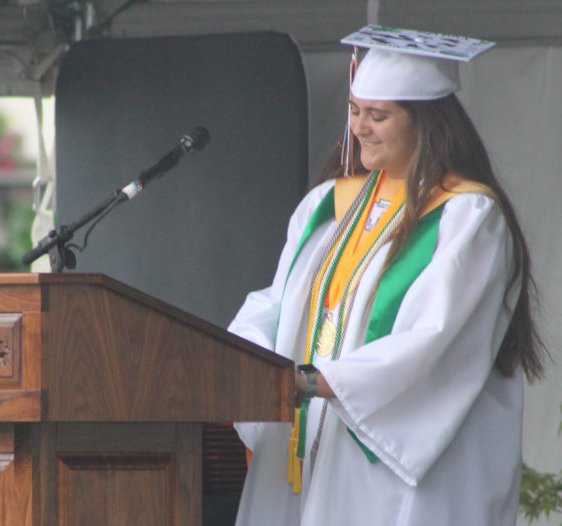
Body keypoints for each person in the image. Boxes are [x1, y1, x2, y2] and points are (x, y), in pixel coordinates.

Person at [229, 26, 547, 526]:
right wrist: (240, 359)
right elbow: (279, 302)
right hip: (311, 439)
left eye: (379, 116)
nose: (359, 128)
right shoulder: (329, 206)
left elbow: (434, 341)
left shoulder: (465, 217)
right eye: (355, 111)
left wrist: (315, 382)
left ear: (426, 123)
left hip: (396, 462)